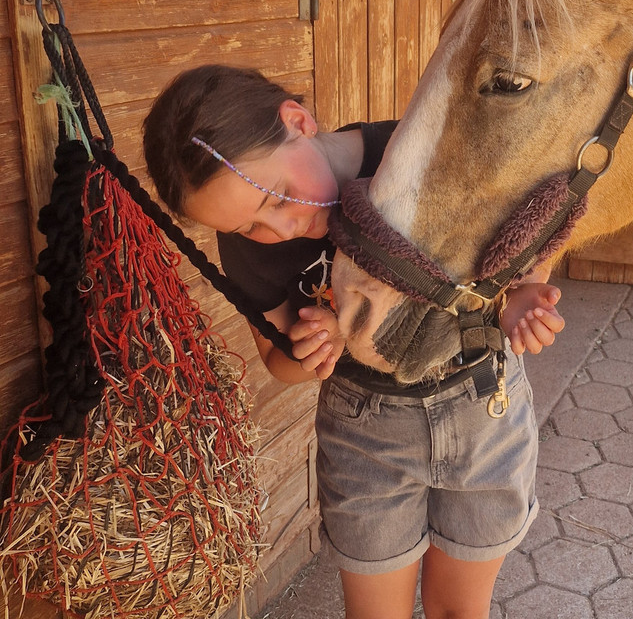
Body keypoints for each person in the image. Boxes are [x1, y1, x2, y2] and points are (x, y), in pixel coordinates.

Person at [142, 65, 565, 619]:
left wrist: (522, 294)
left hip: (481, 405)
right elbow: (279, 361)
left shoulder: (417, 151)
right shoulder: (249, 250)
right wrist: (308, 349)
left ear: (296, 120)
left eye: (279, 197)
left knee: (459, 612)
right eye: (247, 227)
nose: (279, 230)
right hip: (365, 432)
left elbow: (533, 223)